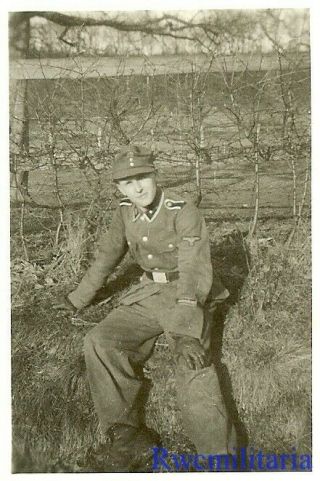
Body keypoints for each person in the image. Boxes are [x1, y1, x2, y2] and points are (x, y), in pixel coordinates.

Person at [54, 145, 235, 472]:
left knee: (192, 360)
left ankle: (219, 459)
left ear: (155, 176)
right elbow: (107, 257)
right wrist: (78, 298)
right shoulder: (125, 211)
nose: (137, 188)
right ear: (119, 188)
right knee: (99, 341)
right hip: (150, 291)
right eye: (127, 183)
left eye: (142, 178)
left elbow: (194, 268)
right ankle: (127, 436)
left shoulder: (182, 209)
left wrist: (185, 331)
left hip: (188, 291)